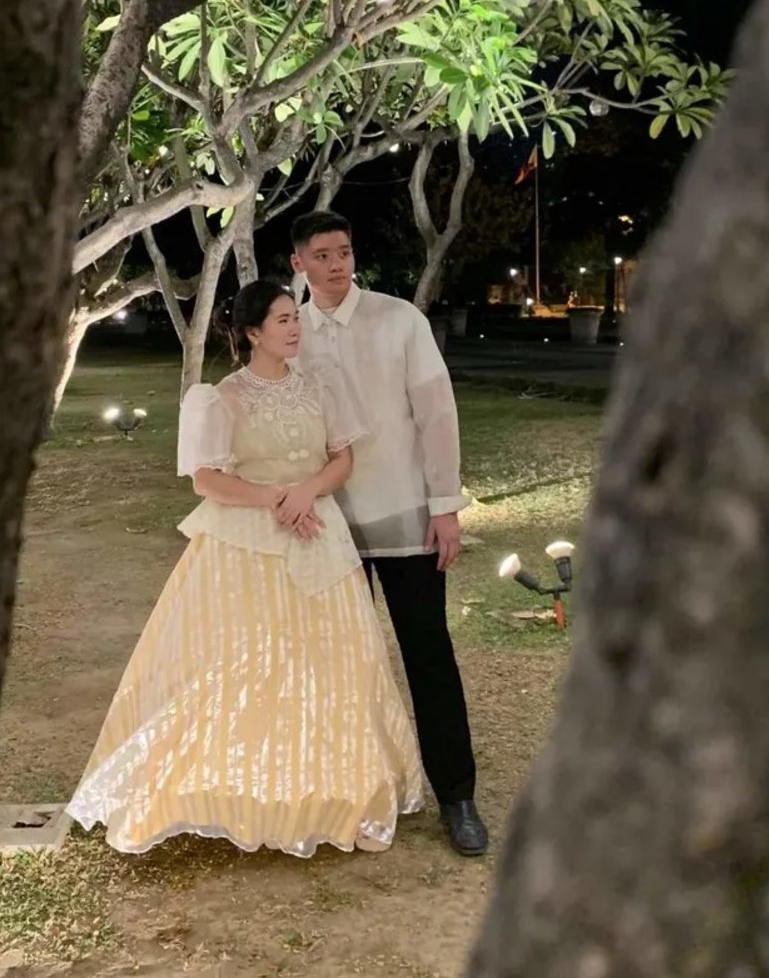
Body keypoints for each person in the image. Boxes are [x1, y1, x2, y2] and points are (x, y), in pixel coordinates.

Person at [67, 278, 424, 858]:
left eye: (295, 318)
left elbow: (342, 458)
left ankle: (344, 796)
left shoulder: (320, 386)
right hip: (245, 547)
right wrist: (276, 499)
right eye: (283, 319)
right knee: (242, 666)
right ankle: (237, 795)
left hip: (319, 537)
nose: (295, 327)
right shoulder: (221, 398)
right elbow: (206, 480)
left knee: (334, 666)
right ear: (253, 333)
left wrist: (307, 492)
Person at [290, 212, 488, 857]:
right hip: (328, 527)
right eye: (322, 255)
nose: (336, 264)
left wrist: (445, 505)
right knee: (337, 664)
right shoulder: (290, 330)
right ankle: (347, 793)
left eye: (344, 252)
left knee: (429, 656)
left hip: (405, 516)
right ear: (298, 263)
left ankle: (457, 797)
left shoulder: (399, 319)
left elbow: (437, 414)